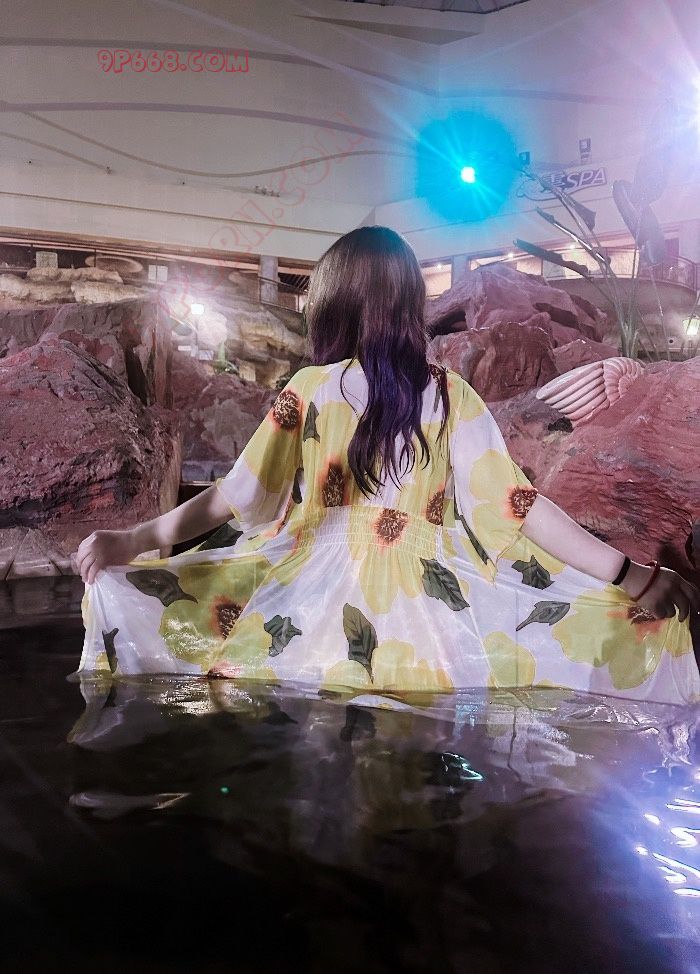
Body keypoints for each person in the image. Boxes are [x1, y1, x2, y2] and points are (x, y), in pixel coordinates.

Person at [76, 226, 700, 704]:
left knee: (317, 746)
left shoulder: (310, 390)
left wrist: (134, 539)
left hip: (312, 605)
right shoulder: (450, 395)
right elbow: (518, 506)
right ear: (408, 303)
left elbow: (234, 496)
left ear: (334, 302)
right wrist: (630, 575)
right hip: (427, 612)